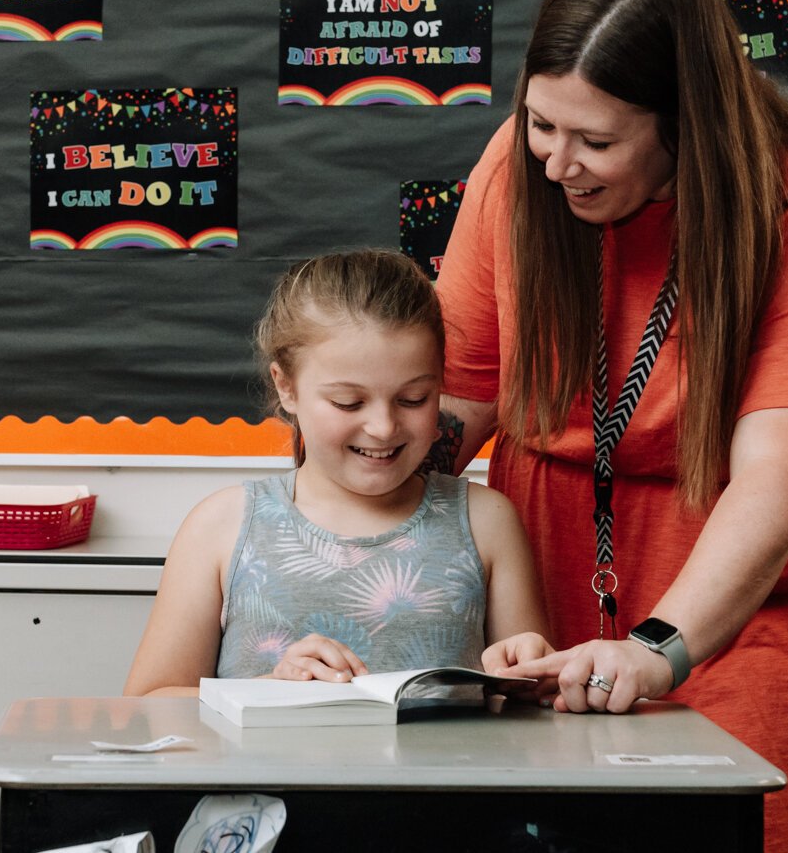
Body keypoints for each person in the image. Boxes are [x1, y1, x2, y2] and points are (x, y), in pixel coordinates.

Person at [433, 0, 788, 852]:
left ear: (688, 126)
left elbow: (784, 476)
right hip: (538, 589)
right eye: (541, 124)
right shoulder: (519, 166)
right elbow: (457, 398)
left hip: (726, 606)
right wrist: (327, 546)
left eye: (596, 142)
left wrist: (656, 648)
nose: (557, 164)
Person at [125, 249, 550, 696]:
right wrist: (270, 691)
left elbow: (532, 711)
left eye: (414, 399)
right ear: (286, 387)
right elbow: (149, 704)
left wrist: (533, 680)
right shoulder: (220, 527)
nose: (384, 427)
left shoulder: (486, 521)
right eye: (348, 402)